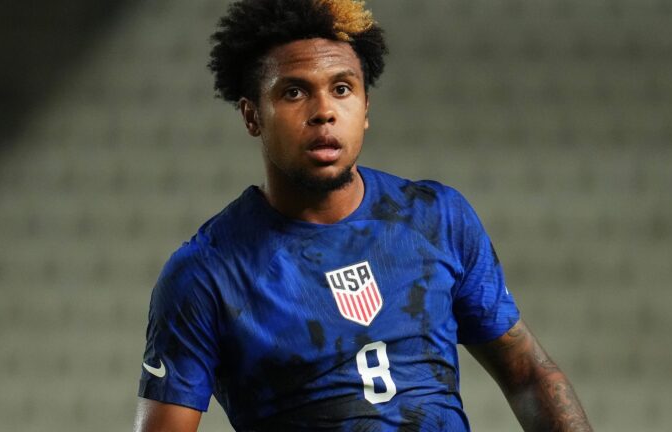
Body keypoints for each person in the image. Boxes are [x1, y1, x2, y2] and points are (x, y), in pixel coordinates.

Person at [133, 0, 592, 430]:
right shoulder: (204, 275)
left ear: (366, 108)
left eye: (342, 89)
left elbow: (529, 375)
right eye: (294, 92)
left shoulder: (438, 219)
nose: (324, 112)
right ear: (252, 116)